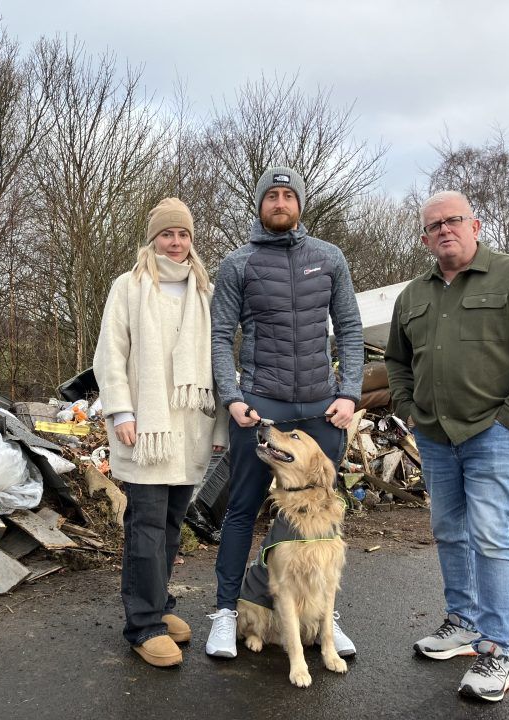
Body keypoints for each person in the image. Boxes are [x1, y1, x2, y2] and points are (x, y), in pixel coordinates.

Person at [385, 190, 509, 702]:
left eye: (454, 220)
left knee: (490, 537)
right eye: (434, 225)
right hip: (436, 437)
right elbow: (397, 360)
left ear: (476, 225)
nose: (445, 229)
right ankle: (462, 623)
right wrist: (407, 405)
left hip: (493, 433)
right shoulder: (413, 296)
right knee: (448, 530)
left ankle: (497, 654)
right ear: (425, 237)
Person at [205, 167, 363, 659]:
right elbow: (219, 336)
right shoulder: (238, 264)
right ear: (260, 206)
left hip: (322, 409)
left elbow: (352, 330)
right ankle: (227, 611)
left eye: (287, 195)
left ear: (299, 205)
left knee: (324, 512)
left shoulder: (329, 258)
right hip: (263, 405)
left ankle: (324, 618)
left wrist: (350, 393)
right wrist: (233, 395)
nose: (279, 202)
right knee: (242, 509)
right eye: (271, 196)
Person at [93, 197, 227, 668]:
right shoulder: (128, 287)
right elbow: (109, 356)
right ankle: (143, 625)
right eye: (167, 234)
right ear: (152, 240)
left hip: (189, 428)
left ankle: (158, 603)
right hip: (145, 430)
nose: (176, 242)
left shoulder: (205, 292)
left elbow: (219, 363)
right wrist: (122, 413)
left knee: (171, 524)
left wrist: (222, 426)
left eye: (183, 234)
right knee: (145, 526)